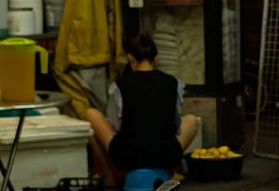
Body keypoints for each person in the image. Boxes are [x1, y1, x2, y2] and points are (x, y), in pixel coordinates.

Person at [84, 31, 199, 174]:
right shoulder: (173, 83)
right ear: (156, 58)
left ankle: (108, 176)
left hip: (127, 157)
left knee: (90, 114)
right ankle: (173, 170)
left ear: (130, 59)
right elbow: (176, 125)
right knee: (192, 120)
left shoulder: (120, 85)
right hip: (166, 155)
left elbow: (116, 126)